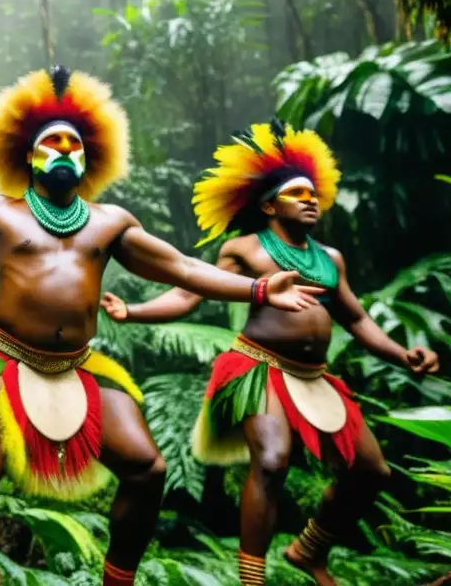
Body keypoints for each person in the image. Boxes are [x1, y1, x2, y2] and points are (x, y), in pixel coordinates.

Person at [0, 67, 323, 586]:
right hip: (2, 356)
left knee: (148, 469)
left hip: (78, 364)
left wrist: (256, 288)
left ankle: (117, 581)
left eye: (75, 144)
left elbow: (182, 268)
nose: (65, 150)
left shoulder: (110, 221)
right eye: (52, 143)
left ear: (89, 157)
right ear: (28, 155)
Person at [101, 119, 440, 586]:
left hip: (315, 377)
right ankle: (252, 579)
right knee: (273, 459)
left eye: (313, 195)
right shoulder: (244, 250)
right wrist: (132, 311)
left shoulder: (330, 258)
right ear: (267, 205)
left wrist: (405, 355)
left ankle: (309, 549)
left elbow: (357, 320)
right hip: (259, 367)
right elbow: (186, 296)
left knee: (371, 469)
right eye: (297, 194)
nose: (310, 200)